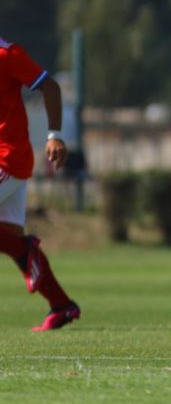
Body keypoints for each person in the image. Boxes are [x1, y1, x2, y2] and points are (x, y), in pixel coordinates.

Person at [0, 37, 81, 331]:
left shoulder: (6, 54)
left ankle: (25, 250)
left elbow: (50, 86)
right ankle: (61, 305)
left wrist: (54, 135)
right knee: (9, 238)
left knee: (13, 243)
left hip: (7, 159)